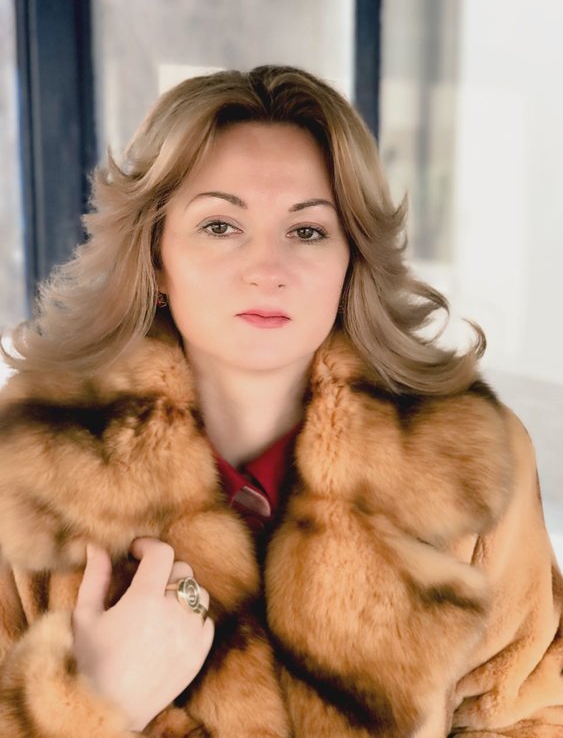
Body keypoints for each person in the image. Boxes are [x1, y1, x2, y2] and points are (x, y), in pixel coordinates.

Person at [0, 64, 560, 738]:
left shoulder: (467, 456)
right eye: (219, 226)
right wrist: (88, 704)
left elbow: (532, 713)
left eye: (307, 231)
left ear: (351, 259)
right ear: (154, 257)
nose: (267, 269)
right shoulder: (31, 462)